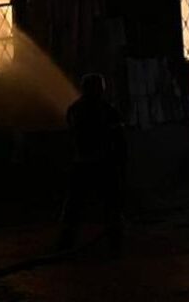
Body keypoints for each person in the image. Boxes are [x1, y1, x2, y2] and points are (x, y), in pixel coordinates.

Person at [57, 73, 126, 252]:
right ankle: (115, 244)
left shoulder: (75, 109)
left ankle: (66, 243)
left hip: (82, 163)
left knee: (74, 205)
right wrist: (121, 163)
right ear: (101, 89)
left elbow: (71, 136)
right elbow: (119, 139)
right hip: (104, 164)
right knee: (111, 204)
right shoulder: (108, 110)